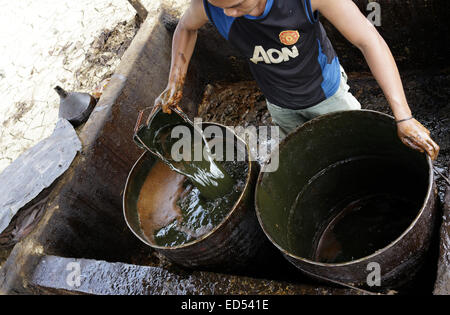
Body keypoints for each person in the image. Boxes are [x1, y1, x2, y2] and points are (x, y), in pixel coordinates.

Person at [153, 0, 439, 160]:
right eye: (221, 6)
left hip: (327, 94)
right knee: (307, 151)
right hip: (279, 103)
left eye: (237, 4)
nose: (227, 13)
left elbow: (369, 40)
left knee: (358, 149)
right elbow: (185, 29)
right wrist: (174, 82)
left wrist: (403, 116)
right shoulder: (211, 6)